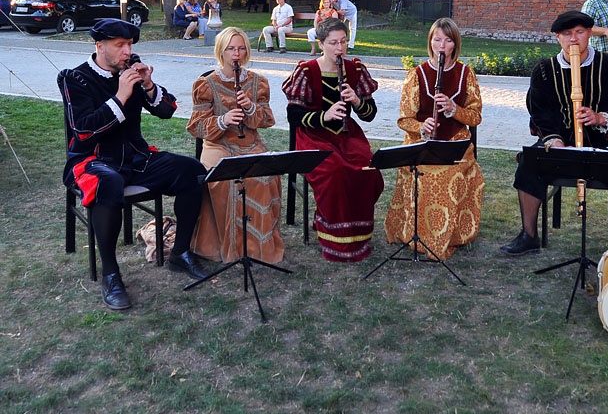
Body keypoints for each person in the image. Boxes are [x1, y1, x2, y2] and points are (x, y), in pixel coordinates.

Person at [57, 19, 208, 310]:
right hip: (92, 159)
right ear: (100, 46)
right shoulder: (74, 78)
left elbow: (166, 111)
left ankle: (180, 252)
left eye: (130, 45)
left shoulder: (129, 72)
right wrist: (121, 94)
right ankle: (111, 274)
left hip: (136, 157)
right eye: (120, 45)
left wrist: (148, 85)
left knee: (192, 170)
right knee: (108, 182)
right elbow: (83, 131)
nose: (128, 52)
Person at [499, 11, 608, 256]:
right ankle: (529, 235)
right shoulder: (544, 69)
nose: (574, 40)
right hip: (559, 141)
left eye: (579, 33)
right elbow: (539, 112)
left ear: (589, 34)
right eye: (567, 34)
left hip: (603, 141)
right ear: (558, 37)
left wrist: (601, 117)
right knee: (528, 164)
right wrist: (554, 141)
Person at [282, 18, 384, 262]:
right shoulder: (307, 70)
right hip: (312, 135)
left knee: (369, 170)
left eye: (343, 42)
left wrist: (357, 102)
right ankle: (330, 231)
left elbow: (370, 115)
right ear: (321, 44)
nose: (340, 48)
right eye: (333, 43)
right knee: (335, 172)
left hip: (346, 135)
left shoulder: (356, 69)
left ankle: (357, 232)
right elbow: (293, 116)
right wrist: (324, 115)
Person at [384, 18, 485, 261]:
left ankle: (450, 236)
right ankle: (420, 237)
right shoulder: (416, 75)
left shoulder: (465, 74)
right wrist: (422, 126)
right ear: (430, 42)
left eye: (447, 40)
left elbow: (476, 117)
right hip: (422, 144)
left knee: (450, 174)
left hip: (455, 143)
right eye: (437, 39)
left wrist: (453, 110)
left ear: (455, 45)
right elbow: (404, 120)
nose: (441, 45)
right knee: (426, 176)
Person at [187, 27, 284, 264]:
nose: (236, 54)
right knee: (227, 180)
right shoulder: (206, 84)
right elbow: (196, 127)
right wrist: (223, 120)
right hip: (217, 145)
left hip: (250, 144)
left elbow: (267, 120)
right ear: (221, 52)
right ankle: (226, 246)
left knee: (265, 177)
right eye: (231, 49)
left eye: (241, 48)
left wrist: (250, 107)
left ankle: (258, 249)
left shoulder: (258, 82)